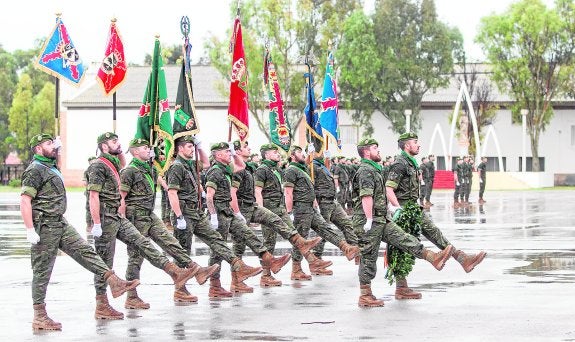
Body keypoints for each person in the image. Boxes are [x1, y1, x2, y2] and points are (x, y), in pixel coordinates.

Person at [21, 133, 138, 330]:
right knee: (42, 271)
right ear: (38, 149)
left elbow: (55, 155)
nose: (54, 146)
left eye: (54, 143)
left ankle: (114, 281)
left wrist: (56, 147)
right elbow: (25, 200)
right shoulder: (35, 170)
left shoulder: (49, 166)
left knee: (86, 251)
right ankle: (39, 315)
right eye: (49, 144)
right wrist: (30, 229)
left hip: (60, 223)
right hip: (44, 227)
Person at [86, 132, 200, 319]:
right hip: (109, 218)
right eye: (114, 141)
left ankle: (175, 272)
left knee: (144, 244)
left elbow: (122, 161)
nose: (118, 143)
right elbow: (93, 196)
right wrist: (95, 223)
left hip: (119, 216)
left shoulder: (116, 164)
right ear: (104, 147)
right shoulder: (100, 166)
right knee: (105, 261)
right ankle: (102, 303)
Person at [352, 137, 455, 307]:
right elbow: (366, 196)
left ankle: (432, 257)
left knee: (404, 239)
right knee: (368, 258)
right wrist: (369, 219)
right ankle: (365, 295)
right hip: (368, 221)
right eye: (375, 148)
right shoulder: (365, 170)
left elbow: (379, 194)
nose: (379, 150)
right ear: (366, 152)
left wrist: (390, 208)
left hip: (381, 219)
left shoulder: (373, 169)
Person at [385, 132, 487, 299]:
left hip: (414, 208)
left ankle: (463, 259)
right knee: (400, 249)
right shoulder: (399, 163)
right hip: (404, 210)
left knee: (435, 234)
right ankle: (401, 287)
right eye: (415, 142)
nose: (418, 145)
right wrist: (397, 209)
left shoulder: (410, 162)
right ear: (406, 145)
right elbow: (389, 188)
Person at [120, 138, 219, 306]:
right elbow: (121, 198)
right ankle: (131, 296)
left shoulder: (149, 169)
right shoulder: (129, 171)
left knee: (171, 243)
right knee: (136, 256)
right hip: (135, 217)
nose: (149, 150)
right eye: (145, 148)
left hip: (149, 215)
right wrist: (124, 222)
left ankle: (196, 270)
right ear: (135, 152)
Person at [166, 135, 263, 300]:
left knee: (216, 240)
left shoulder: (190, 165)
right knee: (183, 252)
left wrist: (199, 147)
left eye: (192, 146)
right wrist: (179, 216)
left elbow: (205, 163)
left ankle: (238, 265)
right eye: (189, 146)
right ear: (180, 149)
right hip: (184, 214)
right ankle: (180, 290)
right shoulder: (177, 167)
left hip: (196, 213)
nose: (191, 149)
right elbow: (172, 193)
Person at [230, 140, 321, 289]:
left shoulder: (259, 168)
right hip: (246, 209)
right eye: (245, 147)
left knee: (289, 231)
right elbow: (252, 191)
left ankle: (307, 259)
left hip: (261, 207)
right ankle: (240, 280)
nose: (249, 148)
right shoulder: (248, 169)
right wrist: (255, 211)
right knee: (241, 245)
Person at [205, 141, 292, 297]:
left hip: (228, 212)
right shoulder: (215, 171)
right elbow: (209, 196)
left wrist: (233, 153)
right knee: (217, 251)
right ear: (218, 155)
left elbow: (241, 166)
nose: (228, 154)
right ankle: (215, 285)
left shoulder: (226, 169)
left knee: (248, 235)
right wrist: (212, 216)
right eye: (225, 152)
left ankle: (269, 259)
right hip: (218, 214)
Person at [253, 143, 331, 280]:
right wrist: (261, 211)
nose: (278, 154)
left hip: (280, 209)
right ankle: (265, 275)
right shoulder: (262, 170)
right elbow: (257, 192)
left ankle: (305, 265)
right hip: (269, 210)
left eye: (278, 152)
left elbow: (302, 166)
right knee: (269, 242)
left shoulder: (276, 169)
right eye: (274, 152)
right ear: (266, 155)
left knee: (295, 235)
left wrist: (310, 155)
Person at [283, 145, 360, 276]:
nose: (302, 154)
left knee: (325, 228)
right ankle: (296, 269)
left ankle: (346, 248)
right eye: (300, 152)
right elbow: (288, 193)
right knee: (301, 239)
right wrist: (289, 212)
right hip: (301, 208)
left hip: (310, 207)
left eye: (303, 152)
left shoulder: (302, 169)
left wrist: (313, 203)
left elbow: (310, 187)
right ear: (292, 156)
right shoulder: (292, 170)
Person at [309, 150, 359, 267]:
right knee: (324, 231)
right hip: (322, 202)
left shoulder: (322, 165)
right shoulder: (311, 166)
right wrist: (314, 201)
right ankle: (316, 257)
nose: (321, 153)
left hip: (332, 201)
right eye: (318, 150)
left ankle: (355, 251)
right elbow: (310, 184)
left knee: (347, 224)